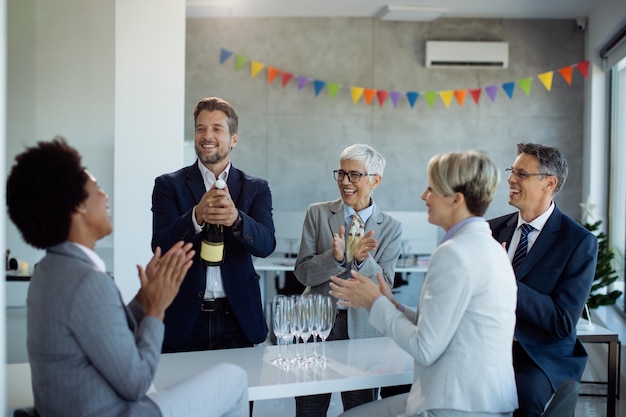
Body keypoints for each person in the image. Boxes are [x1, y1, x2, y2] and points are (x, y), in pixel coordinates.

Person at [6, 137, 249, 417]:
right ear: (78, 206)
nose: (105, 196)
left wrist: (143, 301)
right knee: (234, 378)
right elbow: (136, 383)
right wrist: (157, 310)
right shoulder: (89, 282)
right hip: (114, 411)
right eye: (96, 188)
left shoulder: (47, 270)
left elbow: (104, 334)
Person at [329, 150, 518, 417]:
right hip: (484, 398)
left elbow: (425, 348)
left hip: (455, 403)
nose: (423, 196)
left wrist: (374, 303)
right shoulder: (489, 247)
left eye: (431, 188)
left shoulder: (455, 253)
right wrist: (394, 305)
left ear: (455, 200)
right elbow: (447, 325)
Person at [152, 97, 275, 352]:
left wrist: (237, 220)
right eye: (200, 128)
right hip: (184, 320)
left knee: (241, 394)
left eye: (217, 129)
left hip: (238, 320)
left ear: (234, 139)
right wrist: (196, 215)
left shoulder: (256, 188)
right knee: (181, 393)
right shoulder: (167, 185)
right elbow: (160, 246)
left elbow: (266, 245)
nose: (207, 135)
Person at [488, 143, 598, 417]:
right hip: (486, 346)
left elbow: (561, 322)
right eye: (511, 172)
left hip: (539, 358)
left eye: (521, 174)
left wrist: (507, 280)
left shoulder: (579, 242)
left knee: (523, 400)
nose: (511, 179)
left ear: (549, 183)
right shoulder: (491, 230)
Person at [293, 143, 402, 416]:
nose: (345, 182)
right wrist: (335, 259)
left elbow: (384, 288)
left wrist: (364, 261)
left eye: (354, 175)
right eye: (341, 173)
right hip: (315, 327)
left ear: (375, 180)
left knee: (361, 409)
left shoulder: (390, 227)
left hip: (364, 330)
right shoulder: (317, 214)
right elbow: (303, 273)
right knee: (309, 409)